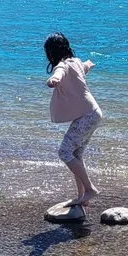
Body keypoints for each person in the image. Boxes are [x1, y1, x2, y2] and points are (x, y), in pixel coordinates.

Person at [45, 32, 103, 219]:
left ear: (51, 54)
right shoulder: (76, 62)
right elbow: (83, 68)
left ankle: (90, 188)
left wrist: (54, 80)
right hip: (93, 113)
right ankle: (81, 197)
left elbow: (59, 73)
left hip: (86, 116)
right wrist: (88, 64)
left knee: (64, 152)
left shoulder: (62, 66)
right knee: (76, 154)